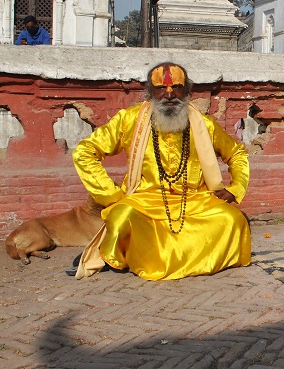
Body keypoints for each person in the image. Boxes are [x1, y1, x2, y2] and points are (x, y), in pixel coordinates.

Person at [72, 62, 251, 280]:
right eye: (160, 88)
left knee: (233, 219)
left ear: (186, 91)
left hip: (195, 201)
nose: (168, 94)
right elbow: (85, 151)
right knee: (120, 218)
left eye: (176, 87)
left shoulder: (204, 124)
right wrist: (112, 196)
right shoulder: (129, 119)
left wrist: (236, 187)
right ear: (150, 91)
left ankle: (159, 259)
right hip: (144, 201)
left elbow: (237, 153)